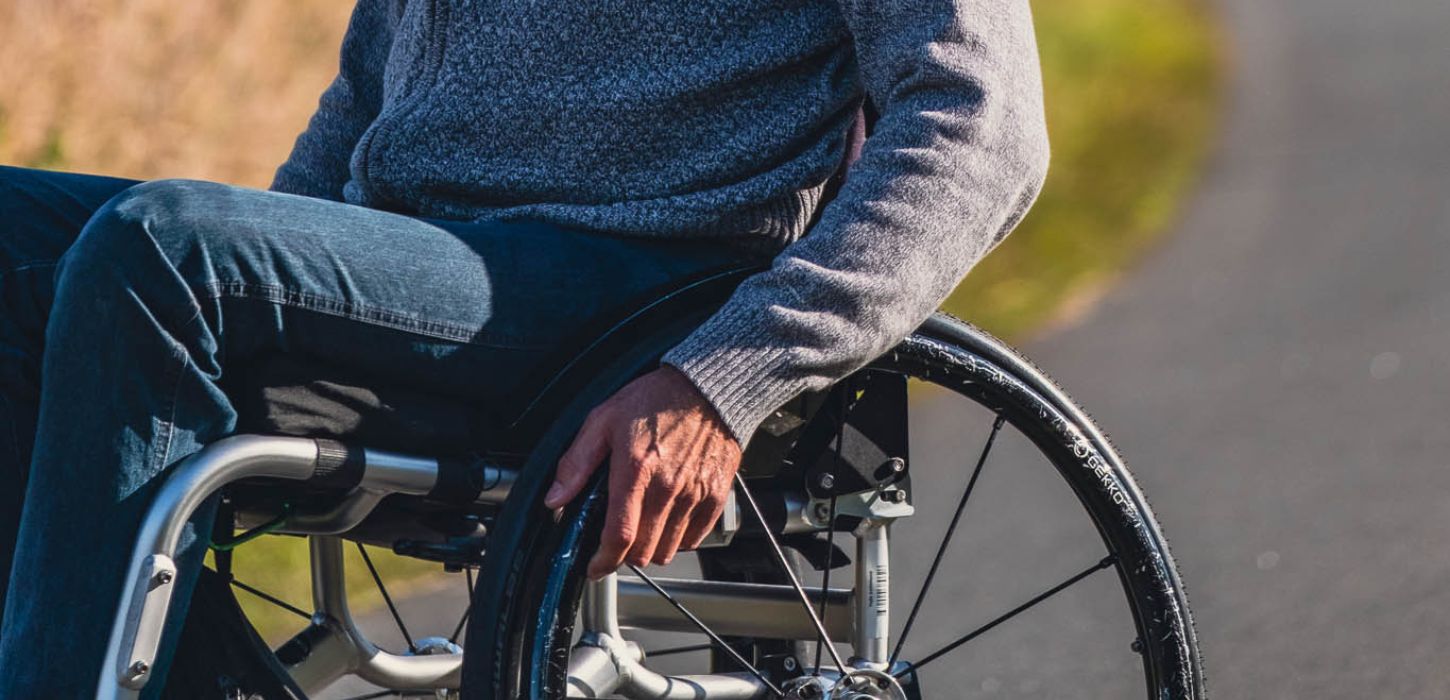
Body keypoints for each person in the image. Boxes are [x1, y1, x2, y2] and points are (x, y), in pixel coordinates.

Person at [0, 0, 1049, 694]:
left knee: (166, 249)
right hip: (422, 264)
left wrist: (721, 377)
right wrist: (274, 288)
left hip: (627, 284)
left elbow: (983, 125)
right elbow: (368, 94)